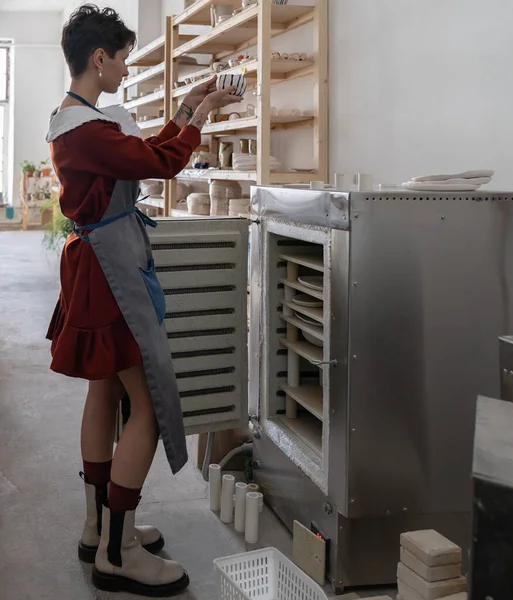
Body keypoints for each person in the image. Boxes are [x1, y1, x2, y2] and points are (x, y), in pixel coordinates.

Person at [46, 4, 242, 596]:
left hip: (96, 266)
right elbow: (160, 161)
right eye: (124, 56)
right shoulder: (86, 129)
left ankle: (97, 525)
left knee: (104, 390)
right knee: (149, 407)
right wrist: (201, 112)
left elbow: (142, 150)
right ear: (98, 57)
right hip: (111, 275)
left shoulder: (79, 121)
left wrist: (192, 105)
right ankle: (118, 550)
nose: (126, 68)